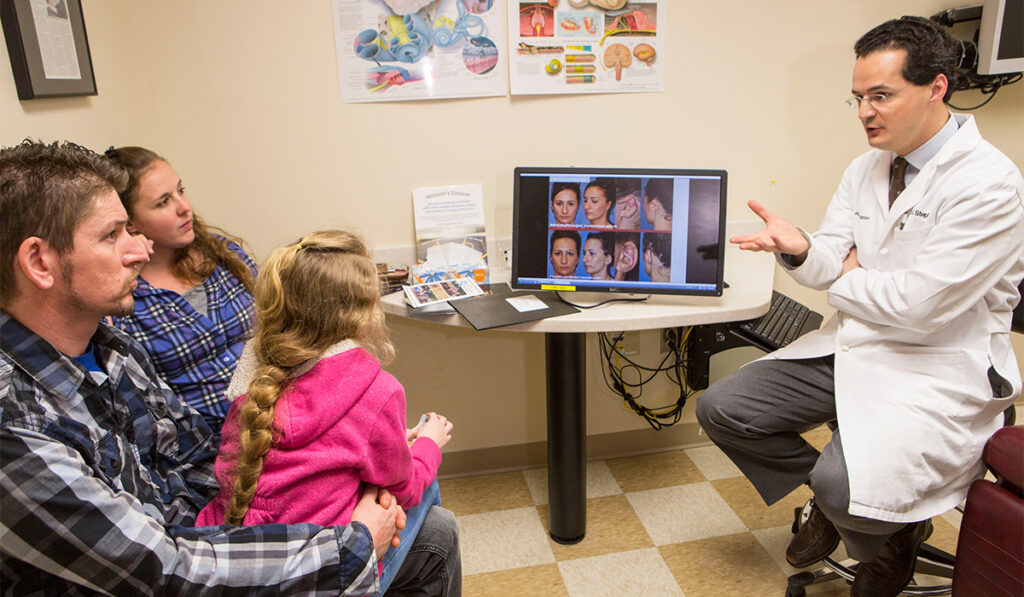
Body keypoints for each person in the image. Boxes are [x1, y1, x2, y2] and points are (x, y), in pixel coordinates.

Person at [0, 140, 427, 595]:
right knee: (415, 518)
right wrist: (350, 543)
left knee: (424, 525)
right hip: (178, 576)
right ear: (40, 262)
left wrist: (329, 471)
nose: (140, 251)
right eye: (112, 236)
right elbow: (165, 572)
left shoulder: (110, 347)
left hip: (208, 530)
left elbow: (200, 456)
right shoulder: (14, 421)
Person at [695, 17, 1024, 597]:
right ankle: (853, 515)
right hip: (858, 342)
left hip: (937, 364)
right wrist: (803, 250)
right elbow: (833, 256)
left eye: (881, 96)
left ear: (936, 87)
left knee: (842, 482)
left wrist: (848, 275)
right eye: (857, 98)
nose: (865, 113)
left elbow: (921, 309)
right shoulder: (866, 166)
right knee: (724, 408)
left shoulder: (988, 183)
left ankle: (877, 529)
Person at [195, 230, 460, 596]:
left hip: (235, 566)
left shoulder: (254, 378)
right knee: (424, 490)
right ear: (364, 314)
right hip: (323, 576)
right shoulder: (376, 391)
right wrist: (429, 443)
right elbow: (408, 486)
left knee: (431, 521)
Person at [105, 146, 256, 434]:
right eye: (163, 202)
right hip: (207, 442)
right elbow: (130, 392)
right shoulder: (123, 295)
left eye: (180, 190)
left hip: (281, 413)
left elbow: (280, 326)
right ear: (130, 222)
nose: (184, 207)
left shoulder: (224, 255)